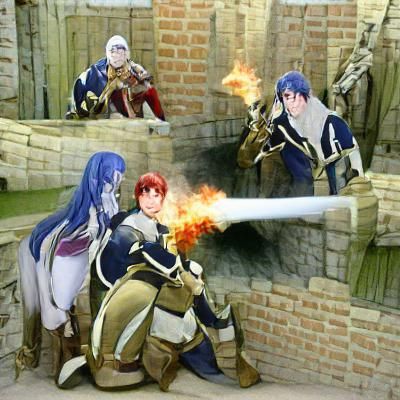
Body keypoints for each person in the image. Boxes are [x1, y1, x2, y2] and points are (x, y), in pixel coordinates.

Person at [82, 172, 260, 391]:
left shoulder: (158, 228)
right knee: (168, 307)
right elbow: (150, 255)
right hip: (119, 307)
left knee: (185, 312)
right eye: (146, 194)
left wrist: (191, 280)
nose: (151, 201)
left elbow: (175, 261)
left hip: (146, 300)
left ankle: (212, 366)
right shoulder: (127, 227)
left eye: (157, 196)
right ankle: (124, 364)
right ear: (138, 197)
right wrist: (187, 280)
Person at [16, 151, 126, 388]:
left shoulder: (110, 200)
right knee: (65, 296)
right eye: (115, 174)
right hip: (75, 256)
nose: (119, 179)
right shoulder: (91, 206)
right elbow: (79, 236)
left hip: (94, 259)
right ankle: (64, 341)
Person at [255, 71, 364, 196]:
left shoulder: (333, 124)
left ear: (306, 95)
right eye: (287, 97)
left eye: (298, 95)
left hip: (336, 194)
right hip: (300, 195)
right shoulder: (282, 125)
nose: (294, 102)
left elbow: (355, 168)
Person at [66, 35, 165, 120]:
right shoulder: (95, 75)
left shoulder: (132, 67)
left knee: (149, 92)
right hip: (95, 113)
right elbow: (93, 109)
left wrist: (141, 83)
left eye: (121, 53)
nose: (118, 56)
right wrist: (113, 87)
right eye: (114, 52)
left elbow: (143, 79)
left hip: (126, 110)